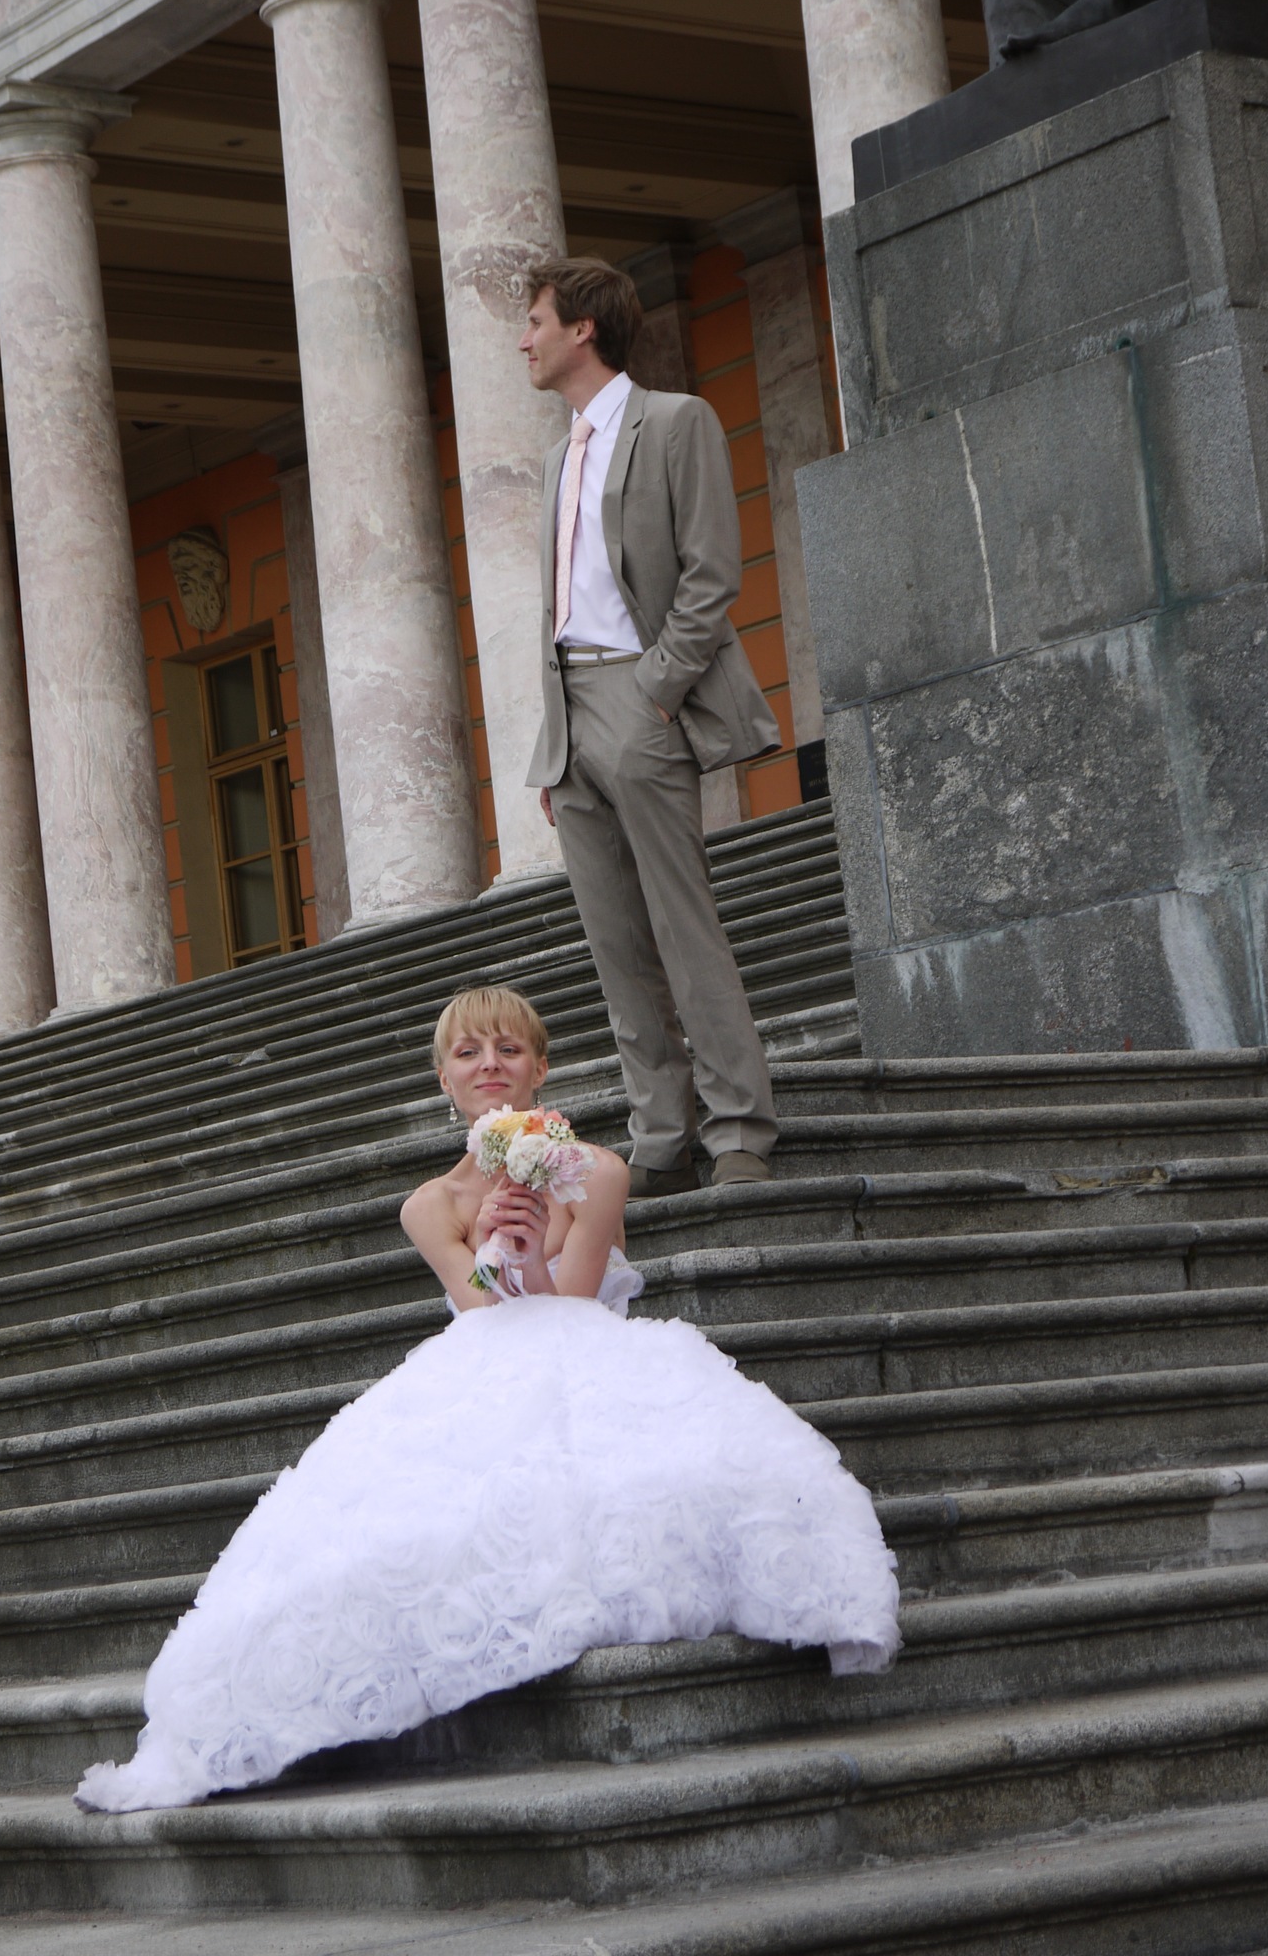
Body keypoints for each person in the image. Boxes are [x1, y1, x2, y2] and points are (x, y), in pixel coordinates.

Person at [73, 986, 899, 1815]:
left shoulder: (599, 1172)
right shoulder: (430, 1206)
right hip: (483, 1367)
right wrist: (497, 1250)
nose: (489, 1066)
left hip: (588, 1356)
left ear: (540, 1067)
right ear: (445, 1080)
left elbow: (572, 1308)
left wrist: (529, 1251)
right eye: (468, 1053)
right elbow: (484, 1316)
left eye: (508, 1049)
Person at [520, 256, 783, 1200]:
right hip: (572, 714)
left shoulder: (676, 422)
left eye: (536, 322)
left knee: (682, 925)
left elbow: (712, 574)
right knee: (614, 944)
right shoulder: (557, 458)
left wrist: (658, 693)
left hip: (640, 691)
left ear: (582, 328)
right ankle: (661, 1134)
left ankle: (740, 1126)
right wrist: (554, 746)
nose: (524, 341)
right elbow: (560, 606)